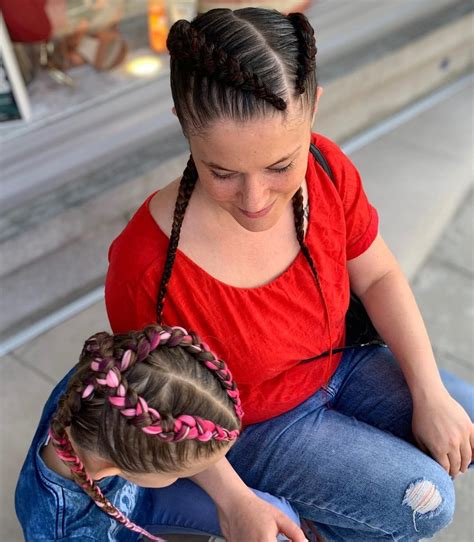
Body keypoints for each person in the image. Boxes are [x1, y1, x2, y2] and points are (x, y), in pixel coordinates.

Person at [105, 7, 474, 541]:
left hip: (344, 365)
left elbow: (378, 277)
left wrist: (428, 391)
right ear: (184, 127)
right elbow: (160, 404)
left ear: (314, 110)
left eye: (280, 165)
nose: (255, 201)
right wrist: (234, 502)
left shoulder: (326, 166)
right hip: (255, 427)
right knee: (426, 501)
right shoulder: (146, 265)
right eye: (222, 172)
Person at [15, 324, 305, 541]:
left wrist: (238, 501)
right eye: (180, 470)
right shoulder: (64, 528)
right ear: (118, 466)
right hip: (128, 519)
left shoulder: (105, 384)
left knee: (274, 522)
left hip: (144, 500)